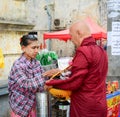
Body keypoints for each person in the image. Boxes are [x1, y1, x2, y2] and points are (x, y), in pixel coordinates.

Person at [44, 20, 108, 117]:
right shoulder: (101, 51)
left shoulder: (83, 51)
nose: (71, 39)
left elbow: (74, 82)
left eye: (71, 36)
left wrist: (51, 83)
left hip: (85, 107)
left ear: (79, 33)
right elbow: (90, 75)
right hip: (100, 103)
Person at [8, 34, 45, 117]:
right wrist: (45, 76)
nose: (36, 51)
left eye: (37, 47)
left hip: (32, 106)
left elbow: (42, 84)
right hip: (20, 107)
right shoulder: (18, 65)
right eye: (33, 48)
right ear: (23, 48)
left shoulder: (37, 63)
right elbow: (26, 84)